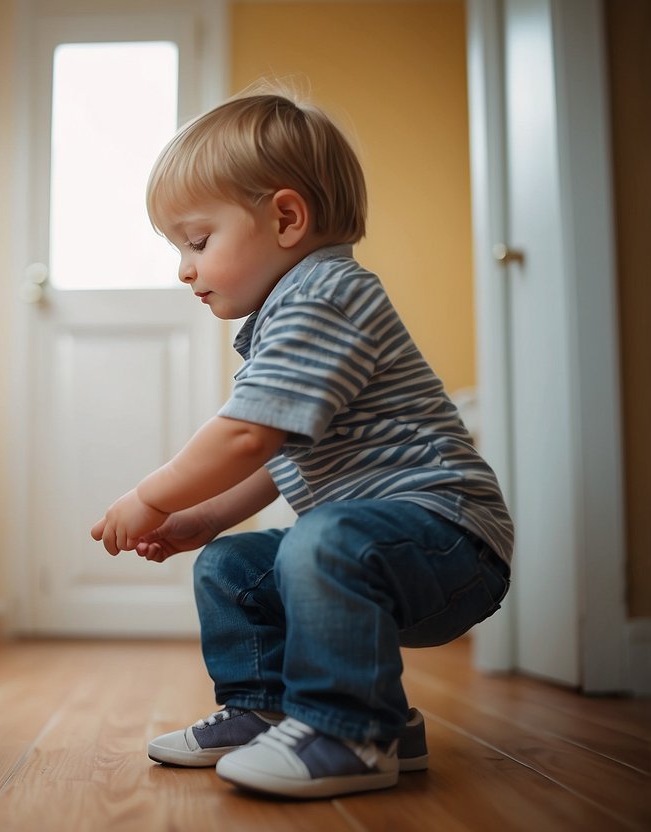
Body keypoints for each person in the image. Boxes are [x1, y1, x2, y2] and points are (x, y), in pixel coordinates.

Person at [89, 86, 513, 800]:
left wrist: (149, 496)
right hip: (378, 544)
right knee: (232, 565)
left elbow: (247, 435)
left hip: (450, 545)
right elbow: (281, 447)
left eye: (197, 242)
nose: (183, 269)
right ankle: (273, 711)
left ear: (286, 218)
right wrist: (208, 520)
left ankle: (347, 731)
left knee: (324, 535)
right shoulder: (283, 315)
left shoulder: (325, 293)